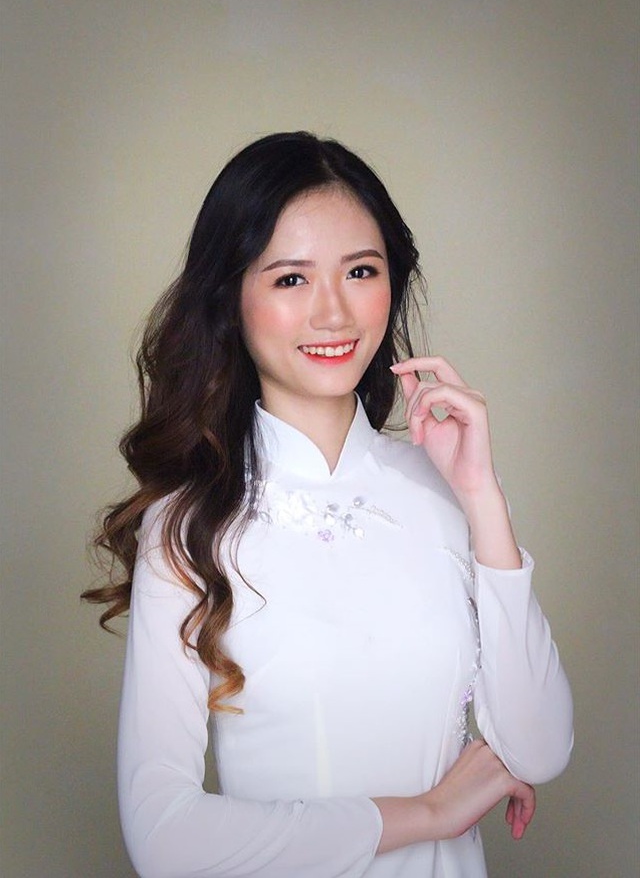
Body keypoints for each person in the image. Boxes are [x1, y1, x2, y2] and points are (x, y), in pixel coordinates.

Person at [83, 131, 573, 878]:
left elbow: (539, 749)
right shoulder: (189, 526)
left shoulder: (443, 489)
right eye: (291, 279)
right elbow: (164, 839)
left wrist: (483, 498)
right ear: (230, 300)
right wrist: (428, 813)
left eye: (360, 271)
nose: (334, 313)